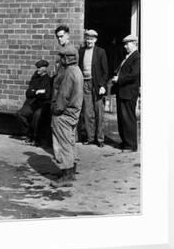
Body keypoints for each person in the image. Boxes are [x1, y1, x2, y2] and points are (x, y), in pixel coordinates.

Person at [50, 45, 83, 187]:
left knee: (64, 144)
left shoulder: (69, 72)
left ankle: (66, 175)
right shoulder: (77, 71)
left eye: (62, 57)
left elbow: (63, 96)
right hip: (74, 112)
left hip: (64, 114)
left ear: (67, 58)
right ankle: (71, 170)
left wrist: (56, 110)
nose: (60, 59)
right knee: (70, 142)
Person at [78, 29, 109, 147]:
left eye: (91, 38)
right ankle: (90, 138)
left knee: (99, 113)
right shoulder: (81, 51)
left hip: (97, 84)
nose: (89, 40)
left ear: (95, 40)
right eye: (87, 38)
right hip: (85, 84)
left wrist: (102, 85)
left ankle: (100, 139)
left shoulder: (100, 52)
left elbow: (105, 71)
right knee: (88, 112)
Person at [111, 34, 140, 152]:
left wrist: (119, 79)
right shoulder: (128, 57)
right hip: (122, 91)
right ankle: (125, 142)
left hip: (129, 92)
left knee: (128, 118)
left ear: (134, 44)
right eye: (125, 44)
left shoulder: (137, 57)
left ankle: (131, 145)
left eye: (127, 44)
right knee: (122, 118)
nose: (125, 46)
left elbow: (134, 75)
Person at [15, 59, 52, 145]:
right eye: (37, 68)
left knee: (37, 116)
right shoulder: (34, 79)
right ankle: (29, 133)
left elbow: (46, 95)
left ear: (44, 69)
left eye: (39, 68)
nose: (38, 69)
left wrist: (35, 92)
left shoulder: (48, 80)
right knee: (20, 114)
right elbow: (28, 93)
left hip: (42, 105)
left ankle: (36, 138)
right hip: (32, 103)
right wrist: (37, 92)